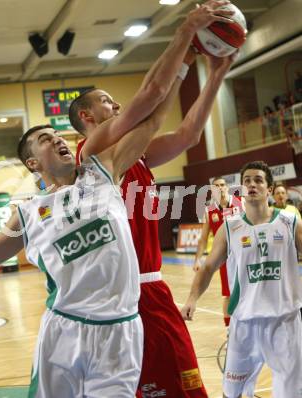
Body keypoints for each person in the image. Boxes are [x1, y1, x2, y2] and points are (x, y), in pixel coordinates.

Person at [0, 5, 232, 396]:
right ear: (31, 162)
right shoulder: (29, 212)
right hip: (66, 331)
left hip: (122, 330)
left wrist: (191, 58)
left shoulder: (102, 173)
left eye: (59, 135)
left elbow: (157, 114)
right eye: (45, 139)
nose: (58, 139)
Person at [70, 29, 237, 398]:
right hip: (123, 290)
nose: (115, 105)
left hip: (149, 285)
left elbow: (190, 134)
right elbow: (150, 102)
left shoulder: (138, 154)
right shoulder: (90, 152)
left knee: (173, 383)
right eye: (106, 101)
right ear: (86, 115)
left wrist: (218, 74)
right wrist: (184, 49)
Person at [181, 161, 302, 398]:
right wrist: (192, 299)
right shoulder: (231, 227)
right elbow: (207, 268)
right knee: (231, 392)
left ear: (268, 190)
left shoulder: (289, 222)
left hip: (285, 323)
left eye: (258, 180)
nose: (251, 184)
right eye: (247, 181)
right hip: (245, 324)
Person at [193, 176, 243, 327]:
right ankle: (229, 330)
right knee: (228, 294)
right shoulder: (209, 211)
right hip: (224, 257)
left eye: (222, 185)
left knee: (249, 290)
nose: (220, 188)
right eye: (216, 186)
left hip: (243, 253)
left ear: (227, 187)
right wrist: (197, 259)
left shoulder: (240, 204)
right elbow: (203, 238)